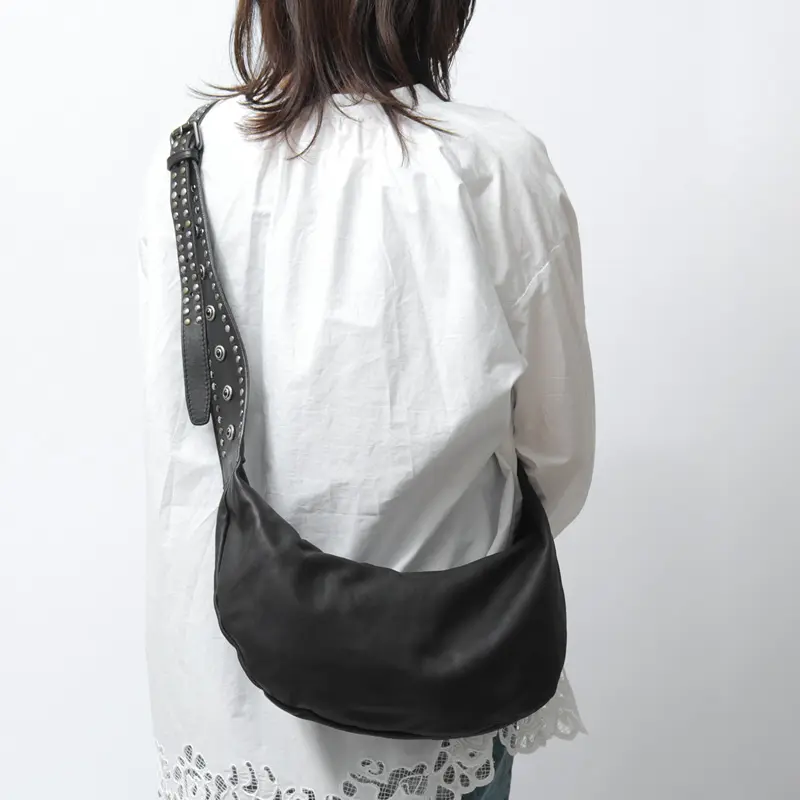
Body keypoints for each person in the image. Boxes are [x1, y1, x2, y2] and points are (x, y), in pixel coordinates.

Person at [136, 2, 595, 798]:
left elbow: (181, 424)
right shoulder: (495, 165)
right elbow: (558, 454)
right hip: (450, 657)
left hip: (232, 681)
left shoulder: (190, 159)